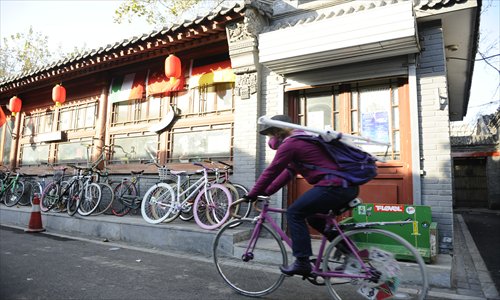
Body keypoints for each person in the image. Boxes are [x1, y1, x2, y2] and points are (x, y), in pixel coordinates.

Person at [244, 115, 359, 276]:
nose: (270, 140)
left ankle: (302, 262)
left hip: (334, 186)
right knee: (314, 218)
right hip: (345, 187)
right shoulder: (303, 139)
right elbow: (286, 174)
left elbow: (272, 171)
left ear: (278, 131)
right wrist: (264, 193)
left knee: (294, 212)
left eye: (271, 135)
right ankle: (353, 255)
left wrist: (251, 194)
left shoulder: (291, 143)